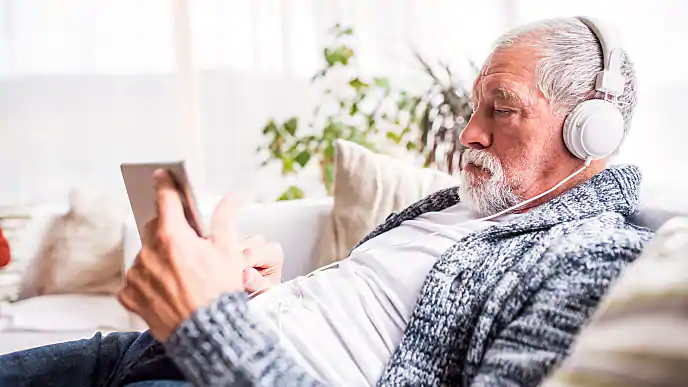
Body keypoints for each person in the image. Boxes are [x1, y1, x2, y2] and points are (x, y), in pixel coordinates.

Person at [0, 16, 655, 387]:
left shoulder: (590, 261)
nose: (470, 131)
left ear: (587, 128)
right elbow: (359, 309)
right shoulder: (463, 204)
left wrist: (209, 325)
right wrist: (267, 290)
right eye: (475, 105)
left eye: (503, 108)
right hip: (151, 349)